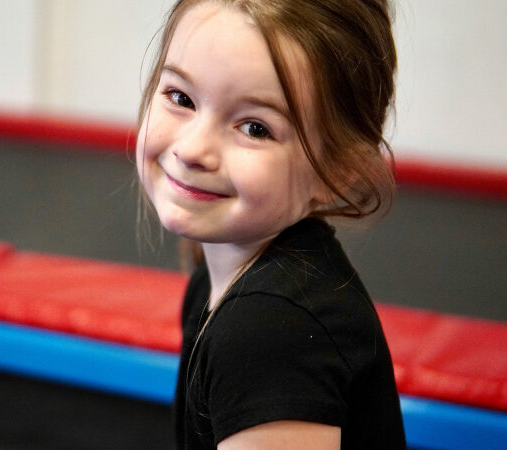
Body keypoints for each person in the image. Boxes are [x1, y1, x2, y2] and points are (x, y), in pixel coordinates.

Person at [135, 0, 406, 448]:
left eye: (255, 128)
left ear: (337, 169)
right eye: (180, 97)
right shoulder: (218, 284)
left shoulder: (271, 332)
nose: (192, 149)